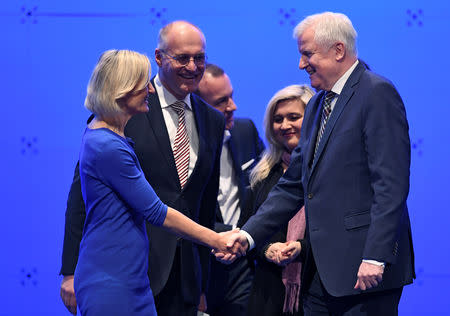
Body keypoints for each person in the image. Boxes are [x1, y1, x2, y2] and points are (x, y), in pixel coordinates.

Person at [218, 12, 415, 316]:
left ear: (338, 50)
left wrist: (376, 256)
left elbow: (391, 185)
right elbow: (293, 184)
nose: (301, 64)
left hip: (365, 271)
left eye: (307, 54)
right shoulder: (316, 105)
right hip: (322, 274)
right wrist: (247, 234)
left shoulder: (376, 93)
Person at [60, 21, 226, 316]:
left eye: (199, 58)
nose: (193, 66)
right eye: (182, 58)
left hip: (183, 278)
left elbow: (204, 203)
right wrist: (70, 272)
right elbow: (81, 199)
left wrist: (203, 284)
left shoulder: (212, 120)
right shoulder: (116, 122)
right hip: (127, 272)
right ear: (160, 57)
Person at [195, 63, 265, 316]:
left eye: (232, 96)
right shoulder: (182, 147)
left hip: (243, 264)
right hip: (199, 267)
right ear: (198, 107)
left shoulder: (245, 131)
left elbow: (267, 194)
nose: (232, 106)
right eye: (221, 101)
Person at [246, 84, 314, 316]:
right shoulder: (261, 175)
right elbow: (245, 232)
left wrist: (302, 248)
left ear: (313, 118)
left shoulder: (328, 173)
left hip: (316, 292)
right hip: (267, 296)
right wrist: (267, 250)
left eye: (293, 117)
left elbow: (339, 236)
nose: (285, 125)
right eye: (278, 119)